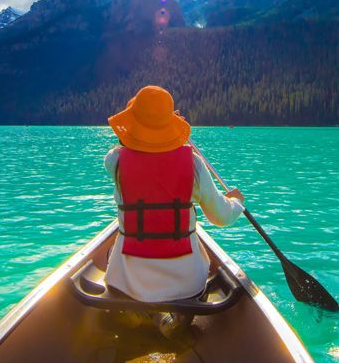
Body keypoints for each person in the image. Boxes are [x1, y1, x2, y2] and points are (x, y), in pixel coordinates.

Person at [104, 85, 245, 335]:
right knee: (200, 255)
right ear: (171, 124)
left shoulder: (114, 162)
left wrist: (158, 123)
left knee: (110, 252)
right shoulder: (193, 165)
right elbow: (221, 217)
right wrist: (237, 203)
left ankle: (139, 311)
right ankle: (170, 318)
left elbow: (124, 145)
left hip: (125, 286)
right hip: (187, 288)